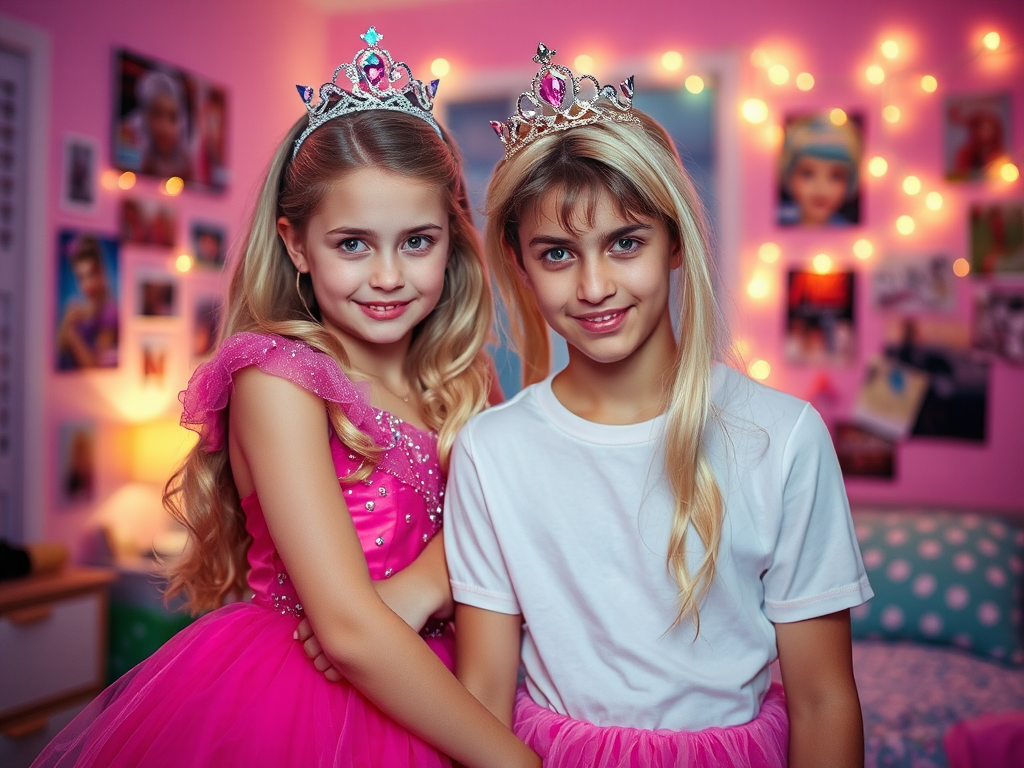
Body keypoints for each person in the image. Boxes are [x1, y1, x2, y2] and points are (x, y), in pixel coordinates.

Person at [33, 29, 539, 768]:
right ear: (298, 245)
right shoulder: (279, 380)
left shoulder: (461, 377)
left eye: (418, 242)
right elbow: (350, 630)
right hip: (319, 697)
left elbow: (515, 526)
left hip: (461, 680)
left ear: (452, 244)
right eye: (353, 244)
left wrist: (428, 578)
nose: (389, 275)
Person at [446, 45, 872, 768]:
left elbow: (825, 699)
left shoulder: (783, 435)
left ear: (675, 242)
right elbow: (482, 692)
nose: (594, 286)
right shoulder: (494, 450)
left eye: (625, 243)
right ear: (517, 262)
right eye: (557, 253)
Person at [778, 113, 862, 226]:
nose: (821, 187)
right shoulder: (774, 223)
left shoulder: (854, 235)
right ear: (789, 175)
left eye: (836, 176)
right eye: (807, 173)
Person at [56, 234, 118, 370]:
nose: (87, 284)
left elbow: (94, 366)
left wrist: (72, 335)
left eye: (92, 274)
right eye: (81, 277)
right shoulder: (77, 310)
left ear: (102, 272)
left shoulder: (110, 311)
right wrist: (66, 323)